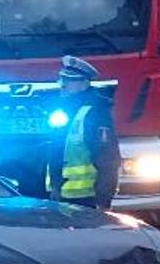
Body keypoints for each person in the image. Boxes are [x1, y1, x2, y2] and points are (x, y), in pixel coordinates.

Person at [48, 55, 121, 210]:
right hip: (62, 198)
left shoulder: (95, 113)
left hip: (87, 201)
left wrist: (103, 200)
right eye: (62, 80)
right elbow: (56, 153)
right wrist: (55, 188)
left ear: (84, 84)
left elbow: (107, 159)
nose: (63, 85)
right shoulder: (65, 110)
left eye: (69, 80)